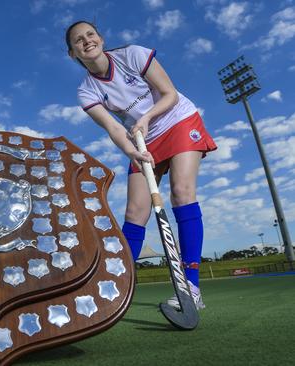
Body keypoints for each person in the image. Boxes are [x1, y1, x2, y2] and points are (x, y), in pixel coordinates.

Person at [65, 21, 216, 310]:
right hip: (141, 140)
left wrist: (145, 118)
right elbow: (113, 127)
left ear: (101, 37)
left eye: (90, 35)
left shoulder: (132, 55)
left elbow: (169, 94)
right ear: (72, 54)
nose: (86, 41)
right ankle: (116, 287)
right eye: (77, 41)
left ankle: (191, 287)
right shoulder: (87, 91)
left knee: (181, 192)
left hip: (177, 119)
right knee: (135, 211)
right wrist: (130, 151)